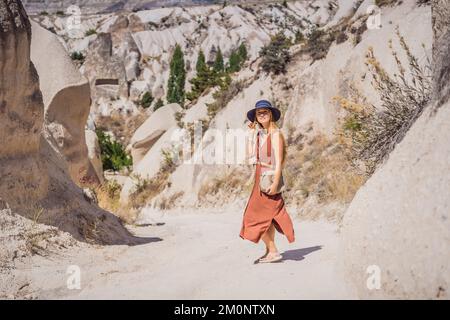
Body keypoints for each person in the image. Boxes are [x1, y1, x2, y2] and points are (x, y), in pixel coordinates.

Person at [239, 99, 296, 264]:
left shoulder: (276, 134)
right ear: (256, 117)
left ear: (271, 114)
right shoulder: (259, 134)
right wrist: (250, 135)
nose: (262, 114)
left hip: (269, 179)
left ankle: (273, 251)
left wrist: (275, 183)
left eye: (265, 111)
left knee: (253, 217)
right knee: (267, 218)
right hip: (259, 179)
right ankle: (269, 250)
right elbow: (249, 157)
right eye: (259, 113)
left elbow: (279, 163)